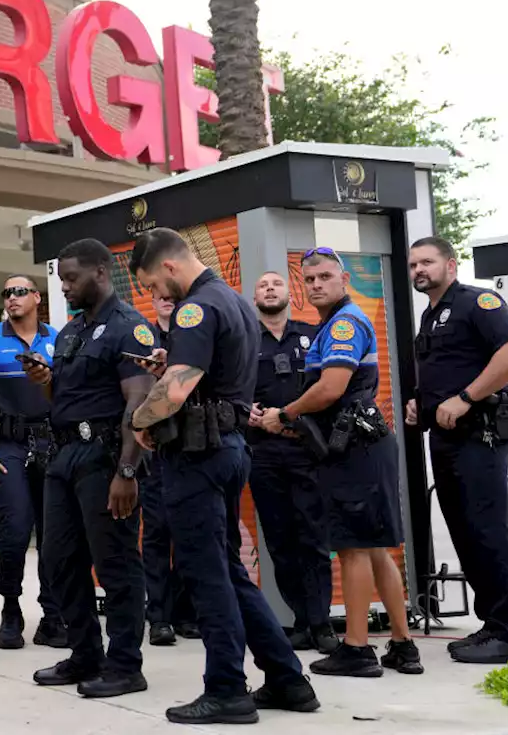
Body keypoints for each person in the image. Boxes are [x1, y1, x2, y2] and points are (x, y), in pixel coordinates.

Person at [129, 228, 316, 725]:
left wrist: (139, 422)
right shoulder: (232, 301)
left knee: (206, 575)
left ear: (169, 266)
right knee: (230, 571)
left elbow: (175, 391)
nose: (156, 296)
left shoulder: (194, 308)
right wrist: (174, 365)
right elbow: (208, 370)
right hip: (229, 448)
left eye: (152, 284)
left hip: (197, 455)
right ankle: (287, 679)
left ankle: (227, 689)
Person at [259, 247, 421, 678]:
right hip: (363, 444)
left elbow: (331, 388)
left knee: (351, 549)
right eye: (309, 280)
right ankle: (403, 646)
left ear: (343, 279)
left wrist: (285, 413)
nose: (316, 285)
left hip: (355, 449)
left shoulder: (344, 324)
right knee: (373, 547)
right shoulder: (332, 323)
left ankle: (356, 649)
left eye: (325, 277)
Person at [21, 238, 153, 699]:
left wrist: (127, 472)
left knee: (114, 563)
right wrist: (46, 382)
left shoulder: (129, 328)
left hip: (105, 458)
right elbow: (66, 399)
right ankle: (84, 654)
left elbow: (139, 404)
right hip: (63, 457)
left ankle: (125, 665)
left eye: (71, 279)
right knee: (59, 561)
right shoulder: (71, 331)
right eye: (61, 281)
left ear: (101, 272)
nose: (65, 288)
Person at [406, 236, 508, 664]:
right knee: (466, 534)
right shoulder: (430, 315)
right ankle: (495, 626)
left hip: (479, 435)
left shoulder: (477, 302)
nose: (419, 270)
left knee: (488, 531)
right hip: (446, 439)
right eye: (413, 265)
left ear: (451, 264)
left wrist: (465, 397)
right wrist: (419, 402)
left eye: (427, 262)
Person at [0, 275, 66, 650]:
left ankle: (53, 616)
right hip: (9, 447)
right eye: (6, 293)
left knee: (54, 535)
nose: (12, 298)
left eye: (20, 291)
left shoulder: (59, 339)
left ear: (37, 297)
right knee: (15, 530)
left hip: (52, 445)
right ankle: (11, 610)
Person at [246, 271, 337, 653]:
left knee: (313, 538)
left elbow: (327, 387)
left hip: (305, 450)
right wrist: (242, 409)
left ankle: (322, 624)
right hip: (263, 453)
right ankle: (300, 621)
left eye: (276, 284)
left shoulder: (312, 334)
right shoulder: (244, 341)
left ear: (289, 294)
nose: (269, 288)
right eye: (263, 284)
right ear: (255, 297)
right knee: (280, 540)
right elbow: (229, 387)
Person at [140, 294, 200, 646]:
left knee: (191, 534)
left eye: (170, 295)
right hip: (154, 447)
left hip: (192, 445)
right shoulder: (142, 336)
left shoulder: (192, 332)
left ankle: (187, 613)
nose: (164, 299)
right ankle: (159, 617)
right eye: (157, 294)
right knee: (157, 534)